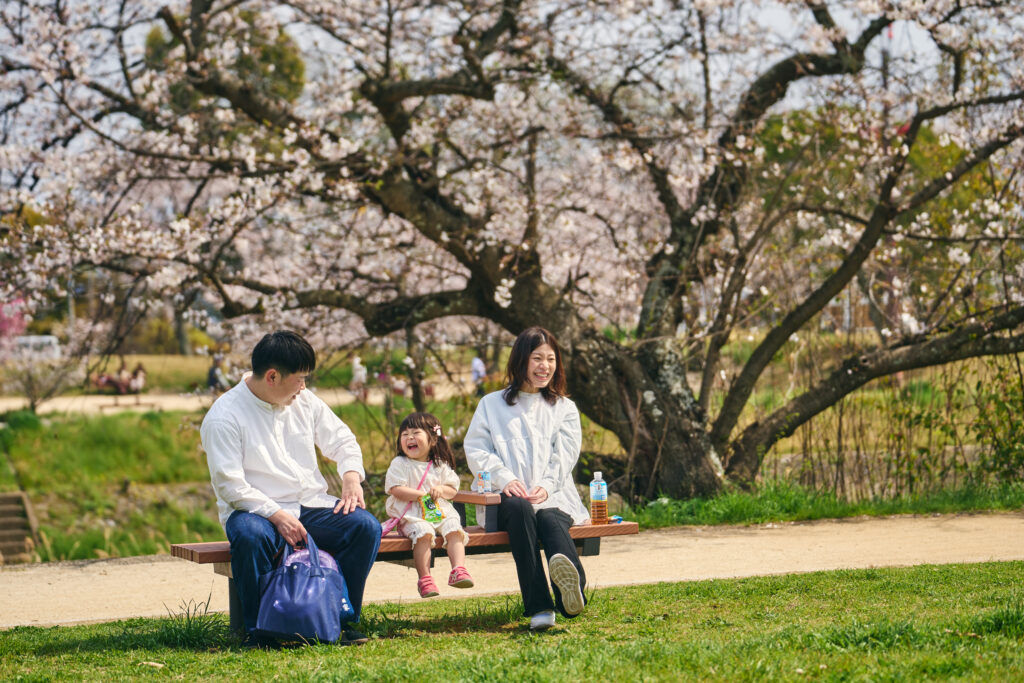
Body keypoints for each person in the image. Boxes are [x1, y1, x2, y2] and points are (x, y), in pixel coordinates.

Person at [200, 330, 381, 646]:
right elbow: (230, 485)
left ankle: (340, 620)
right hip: (255, 511)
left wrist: (352, 475)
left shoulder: (304, 401)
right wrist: (276, 514)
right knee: (250, 536)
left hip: (310, 504)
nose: (304, 387)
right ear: (272, 376)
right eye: (299, 379)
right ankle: (259, 631)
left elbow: (341, 439)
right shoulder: (224, 416)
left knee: (364, 527)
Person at [463, 326, 588, 632]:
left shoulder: (564, 408)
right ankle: (540, 607)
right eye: (537, 358)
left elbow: (566, 454)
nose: (545, 366)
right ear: (521, 360)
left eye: (551, 359)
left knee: (549, 519)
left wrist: (546, 485)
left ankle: (572, 591)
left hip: (553, 494)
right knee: (520, 510)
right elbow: (476, 448)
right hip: (506, 501)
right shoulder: (491, 405)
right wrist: (504, 479)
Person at [384, 412, 474, 598]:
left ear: (433, 439)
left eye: (416, 432)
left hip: (438, 511)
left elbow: (452, 489)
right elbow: (395, 489)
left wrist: (441, 489)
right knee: (424, 532)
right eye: (404, 434)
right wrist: (420, 496)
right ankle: (425, 578)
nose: (409, 437)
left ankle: (458, 569)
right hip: (412, 514)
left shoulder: (439, 465)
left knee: (454, 527)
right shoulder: (400, 463)